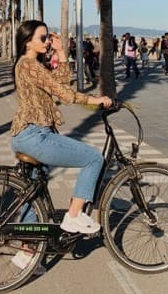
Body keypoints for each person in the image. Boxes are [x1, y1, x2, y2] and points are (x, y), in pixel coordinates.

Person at [10, 20, 112, 271]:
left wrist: (62, 53)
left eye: (47, 38)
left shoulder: (32, 66)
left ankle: (27, 254)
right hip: (36, 135)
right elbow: (64, 93)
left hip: (30, 134)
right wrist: (95, 100)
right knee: (93, 159)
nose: (47, 42)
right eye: (42, 38)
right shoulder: (28, 64)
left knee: (32, 192)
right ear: (28, 42)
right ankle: (74, 216)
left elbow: (58, 83)